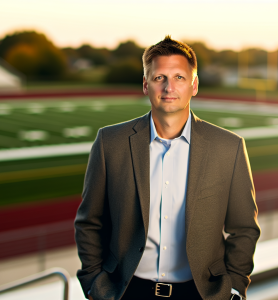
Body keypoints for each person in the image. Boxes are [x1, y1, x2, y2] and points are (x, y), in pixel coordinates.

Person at [74, 36, 260, 300]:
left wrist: (233, 288)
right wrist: (95, 284)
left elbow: (244, 228)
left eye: (179, 78)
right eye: (159, 77)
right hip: (127, 291)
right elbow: (90, 222)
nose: (169, 87)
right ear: (145, 85)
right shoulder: (110, 143)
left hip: (200, 293)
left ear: (194, 85)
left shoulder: (228, 147)